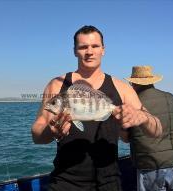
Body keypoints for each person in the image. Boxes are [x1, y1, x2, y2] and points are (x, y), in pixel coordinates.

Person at [31, 25, 162, 191]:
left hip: (109, 182)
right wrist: (51, 132)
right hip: (64, 182)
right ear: (74, 51)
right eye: (83, 47)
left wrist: (143, 117)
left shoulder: (121, 88)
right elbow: (36, 134)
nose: (89, 52)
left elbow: (157, 130)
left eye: (95, 46)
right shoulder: (57, 85)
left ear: (103, 50)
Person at [123, 65, 173, 191]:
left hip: (150, 167)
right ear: (152, 81)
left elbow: (126, 138)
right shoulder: (171, 98)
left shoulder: (132, 103)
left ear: (133, 83)